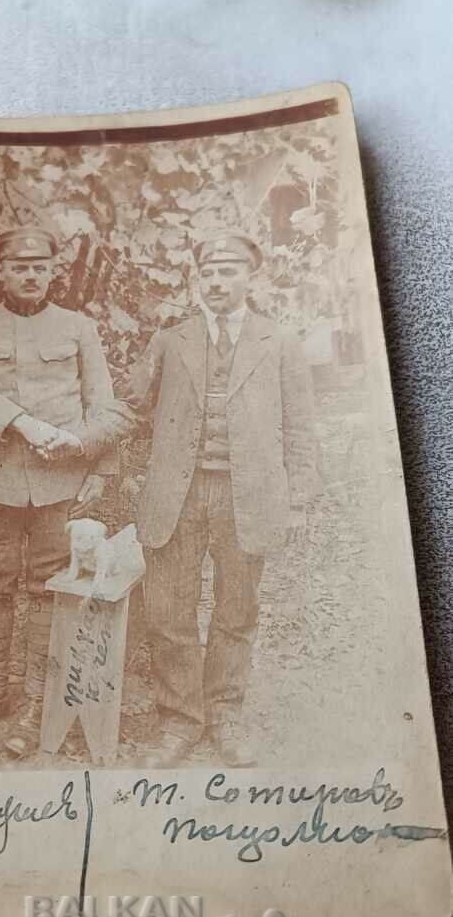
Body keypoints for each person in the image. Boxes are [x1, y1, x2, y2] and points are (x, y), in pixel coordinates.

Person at [115, 232, 315, 765]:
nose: (217, 281)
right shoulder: (169, 340)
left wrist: (298, 500)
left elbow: (299, 427)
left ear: (252, 277)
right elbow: (131, 411)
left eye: (228, 271)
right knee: (168, 610)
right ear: (197, 278)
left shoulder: (281, 342)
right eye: (208, 272)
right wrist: (130, 475)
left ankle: (225, 716)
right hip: (176, 495)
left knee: (236, 609)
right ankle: (179, 722)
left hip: (249, 494)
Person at [0, 226, 115, 749]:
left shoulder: (78, 327)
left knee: (49, 587)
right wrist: (23, 423)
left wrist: (101, 468)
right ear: (0, 271)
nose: (31, 274)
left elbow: (102, 405)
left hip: (59, 486)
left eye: (40, 265)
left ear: (54, 271)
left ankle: (39, 698)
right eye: (19, 266)